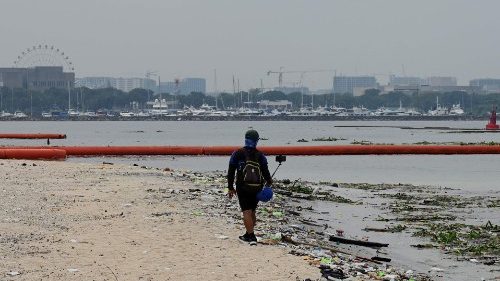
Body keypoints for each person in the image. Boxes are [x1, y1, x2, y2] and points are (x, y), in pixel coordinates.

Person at [227, 129, 273, 245]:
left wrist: (230, 187)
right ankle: (248, 233)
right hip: (257, 187)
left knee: (246, 212)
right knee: (252, 211)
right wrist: (269, 182)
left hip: (243, 187)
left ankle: (251, 236)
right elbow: (266, 172)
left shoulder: (237, 153)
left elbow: (231, 171)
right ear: (256, 141)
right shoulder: (260, 155)